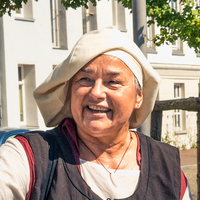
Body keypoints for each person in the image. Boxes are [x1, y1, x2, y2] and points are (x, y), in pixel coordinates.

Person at [0, 27, 192, 200]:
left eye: (113, 81)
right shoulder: (30, 156)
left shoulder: (167, 167)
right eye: (85, 79)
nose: (96, 92)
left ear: (138, 96)